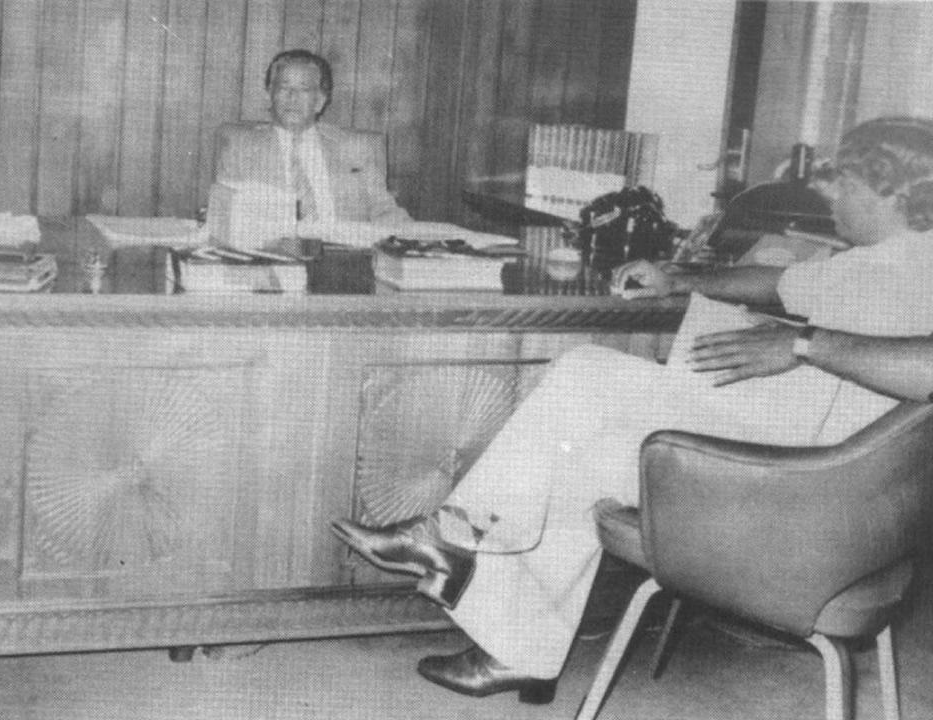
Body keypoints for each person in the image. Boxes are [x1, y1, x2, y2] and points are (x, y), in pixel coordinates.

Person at [331, 115, 933, 703]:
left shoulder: (919, 273)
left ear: (891, 192)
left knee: (585, 440)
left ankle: (480, 586)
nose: (830, 194)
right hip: (799, 457)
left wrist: (802, 345)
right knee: (587, 387)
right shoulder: (877, 261)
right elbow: (778, 282)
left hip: (815, 497)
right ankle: (461, 560)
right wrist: (678, 277)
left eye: (844, 181)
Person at [214, 49, 411, 225]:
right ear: (270, 95)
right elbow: (223, 218)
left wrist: (411, 240)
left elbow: (384, 210)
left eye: (304, 89)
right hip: (271, 249)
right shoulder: (241, 149)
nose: (292, 97)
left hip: (345, 248)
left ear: (320, 101)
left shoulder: (356, 148)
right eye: (284, 87)